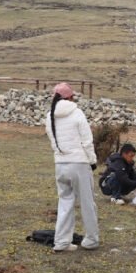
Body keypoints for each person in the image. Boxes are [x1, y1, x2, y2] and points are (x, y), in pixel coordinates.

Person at [45, 82, 99, 252]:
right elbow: (87, 140)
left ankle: (61, 241)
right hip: (79, 163)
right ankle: (91, 239)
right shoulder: (77, 113)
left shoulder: (50, 116)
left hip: (60, 164)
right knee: (87, 203)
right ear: (71, 96)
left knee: (65, 202)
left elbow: (53, 142)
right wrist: (92, 160)